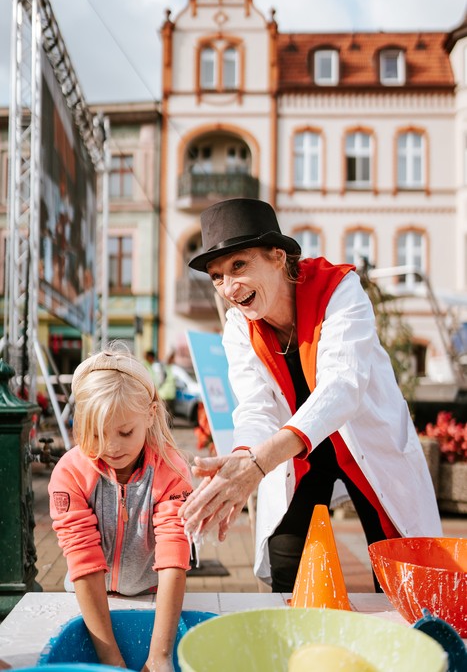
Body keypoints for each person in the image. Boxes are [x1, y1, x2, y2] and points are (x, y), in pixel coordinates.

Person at [179, 197, 442, 592]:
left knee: (397, 571)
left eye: (239, 265)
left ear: (277, 257)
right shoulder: (238, 326)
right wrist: (242, 457)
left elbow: (343, 386)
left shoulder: (339, 290)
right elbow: (255, 407)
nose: (229, 287)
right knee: (287, 563)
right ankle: (294, 633)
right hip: (300, 457)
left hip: (365, 447)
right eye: (217, 276)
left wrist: (258, 463)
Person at [49, 346, 192, 672]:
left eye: (125, 432)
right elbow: (83, 560)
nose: (111, 447)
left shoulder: (172, 470)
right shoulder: (70, 473)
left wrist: (159, 656)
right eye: (96, 434)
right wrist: (111, 661)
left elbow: (174, 557)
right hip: (86, 600)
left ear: (151, 414)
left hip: (151, 598)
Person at [158, 351, 177, 420]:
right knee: (164, 414)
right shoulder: (164, 369)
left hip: (171, 395)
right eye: (173, 359)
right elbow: (160, 381)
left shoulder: (171, 369)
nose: (174, 361)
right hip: (164, 395)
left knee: (170, 414)